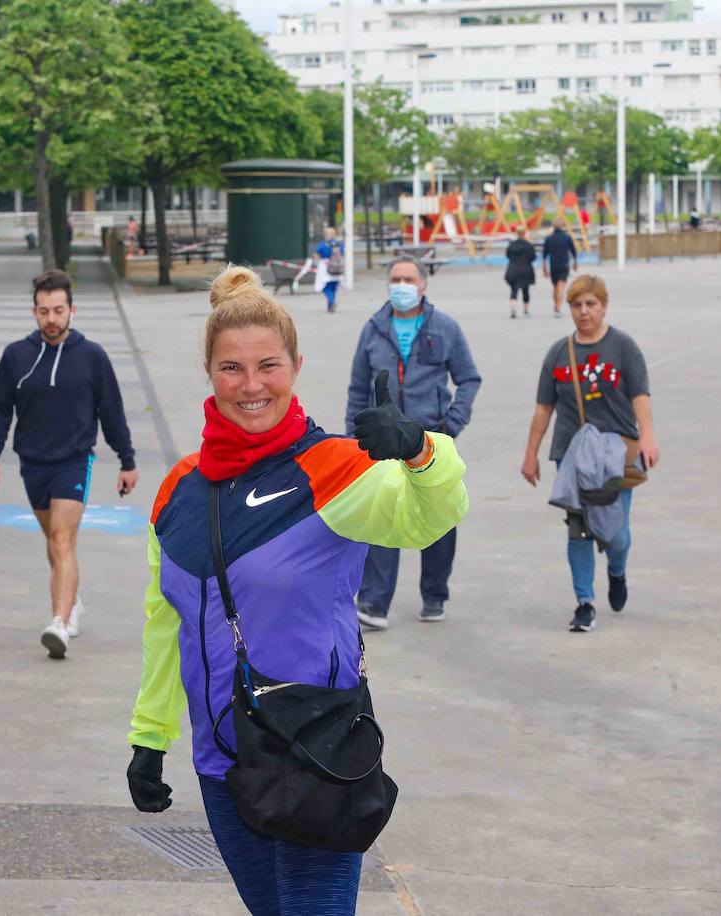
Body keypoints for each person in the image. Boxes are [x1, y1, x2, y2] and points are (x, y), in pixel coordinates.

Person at [126, 265, 468, 915]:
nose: (251, 385)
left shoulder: (335, 468)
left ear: (296, 367)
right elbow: (167, 624)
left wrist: (422, 452)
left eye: (268, 366)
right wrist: (149, 735)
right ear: (209, 373)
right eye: (231, 368)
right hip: (221, 761)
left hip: (317, 752)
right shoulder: (178, 490)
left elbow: (431, 515)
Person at [0, 270, 138, 660]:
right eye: (44, 311)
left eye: (58, 310)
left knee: (61, 540)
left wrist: (127, 460)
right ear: (34, 312)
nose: (51, 319)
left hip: (74, 460)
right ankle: (72, 602)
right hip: (33, 463)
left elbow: (111, 412)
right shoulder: (16, 356)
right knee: (55, 542)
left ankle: (59, 623)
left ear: (72, 310)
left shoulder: (92, 357)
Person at [346, 254, 481, 629]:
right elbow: (357, 387)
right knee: (380, 516)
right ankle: (373, 603)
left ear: (423, 284)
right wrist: (353, 437)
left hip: (429, 439)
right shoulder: (373, 330)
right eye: (395, 279)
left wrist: (452, 424)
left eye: (408, 279)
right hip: (384, 442)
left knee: (438, 515)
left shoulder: (445, 328)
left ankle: (434, 595)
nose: (401, 286)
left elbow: (469, 379)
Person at [520, 274, 659, 633]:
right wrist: (531, 453)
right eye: (577, 305)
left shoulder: (623, 348)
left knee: (616, 533)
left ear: (604, 305)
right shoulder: (558, 353)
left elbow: (640, 395)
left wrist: (647, 436)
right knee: (578, 529)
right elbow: (544, 408)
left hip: (617, 453)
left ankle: (617, 570)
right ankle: (585, 602)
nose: (584, 312)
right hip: (572, 455)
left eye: (591, 304)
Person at [541, 218, 577, 317]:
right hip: (564, 265)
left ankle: (556, 305)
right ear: (562, 226)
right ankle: (558, 308)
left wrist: (544, 268)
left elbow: (544, 255)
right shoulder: (567, 238)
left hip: (553, 266)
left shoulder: (549, 238)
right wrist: (575, 263)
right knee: (561, 287)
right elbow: (573, 251)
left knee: (555, 287)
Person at [505, 226, 537, 319]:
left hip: (513, 269)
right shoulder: (528, 245)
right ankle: (526, 310)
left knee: (513, 290)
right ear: (524, 233)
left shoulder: (511, 245)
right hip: (525, 269)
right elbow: (533, 257)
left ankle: (513, 308)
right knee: (525, 291)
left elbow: (508, 255)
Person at [313, 225, 344, 313]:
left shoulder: (323, 244)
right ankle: (330, 307)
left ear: (326, 234)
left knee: (325, 287)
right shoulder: (339, 244)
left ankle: (332, 302)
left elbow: (317, 254)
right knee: (333, 287)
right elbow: (342, 253)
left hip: (325, 267)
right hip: (337, 267)